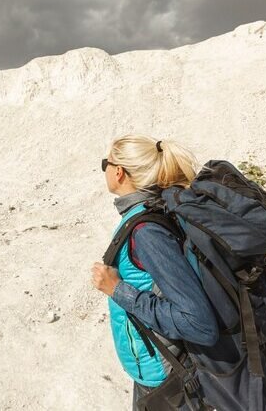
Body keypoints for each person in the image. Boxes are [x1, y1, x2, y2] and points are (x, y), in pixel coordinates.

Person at [90, 134, 218, 410]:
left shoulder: (147, 232)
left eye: (106, 164)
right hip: (157, 366)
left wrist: (117, 290)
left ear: (119, 172)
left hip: (167, 374)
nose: (106, 170)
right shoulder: (148, 212)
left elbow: (200, 324)